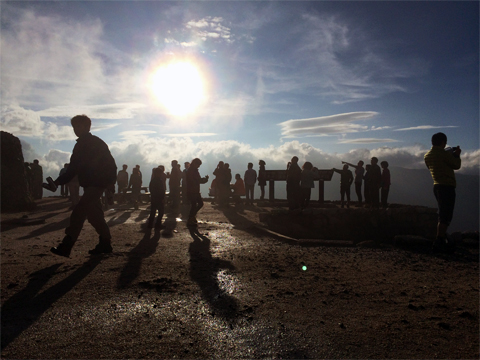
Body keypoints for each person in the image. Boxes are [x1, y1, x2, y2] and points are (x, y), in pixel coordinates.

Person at [49, 115, 117, 257]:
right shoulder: (79, 145)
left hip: (97, 185)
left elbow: (111, 164)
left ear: (87, 127)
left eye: (79, 126)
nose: (76, 130)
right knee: (94, 216)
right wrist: (57, 182)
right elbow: (73, 168)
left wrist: (111, 182)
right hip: (90, 186)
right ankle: (105, 243)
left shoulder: (96, 143)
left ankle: (67, 245)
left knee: (79, 212)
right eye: (74, 127)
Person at [424, 132, 461, 253]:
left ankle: (441, 238)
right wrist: (456, 155)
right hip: (447, 187)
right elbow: (456, 165)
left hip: (437, 185)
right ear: (443, 142)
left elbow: (431, 167)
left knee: (442, 212)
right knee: (446, 215)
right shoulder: (444, 154)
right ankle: (439, 241)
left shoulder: (427, 156)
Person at [186, 158, 209, 226]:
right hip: (192, 190)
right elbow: (195, 180)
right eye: (198, 165)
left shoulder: (194, 170)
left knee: (197, 204)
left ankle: (192, 217)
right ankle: (191, 217)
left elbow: (198, 180)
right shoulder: (191, 171)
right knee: (196, 204)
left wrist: (205, 180)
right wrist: (203, 180)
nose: (198, 166)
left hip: (195, 190)